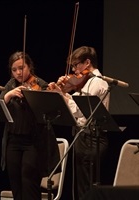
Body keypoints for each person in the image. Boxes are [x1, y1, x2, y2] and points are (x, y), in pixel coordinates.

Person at [48, 46, 109, 200]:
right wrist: (60, 92)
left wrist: (62, 95)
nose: (74, 69)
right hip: (83, 137)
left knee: (88, 188)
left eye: (76, 65)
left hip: (92, 138)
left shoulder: (97, 82)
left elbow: (78, 110)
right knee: (81, 188)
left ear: (87, 62)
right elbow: (72, 103)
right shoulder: (86, 82)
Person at [0, 51, 60, 200]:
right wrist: (9, 95)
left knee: (29, 182)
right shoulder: (10, 85)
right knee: (15, 183)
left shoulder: (40, 84)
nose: (18, 73)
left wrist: (33, 95)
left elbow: (49, 112)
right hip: (13, 141)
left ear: (29, 67)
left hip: (33, 142)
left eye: (22, 68)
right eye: (14, 70)